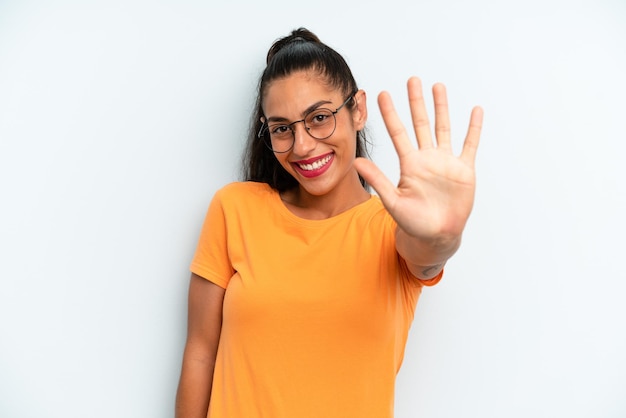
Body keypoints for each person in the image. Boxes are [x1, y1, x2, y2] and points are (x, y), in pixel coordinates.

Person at [175, 27, 483, 418]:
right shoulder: (234, 209)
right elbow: (200, 352)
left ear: (358, 110)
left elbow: (427, 254)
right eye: (282, 128)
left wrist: (443, 234)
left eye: (319, 118)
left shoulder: (393, 228)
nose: (302, 146)